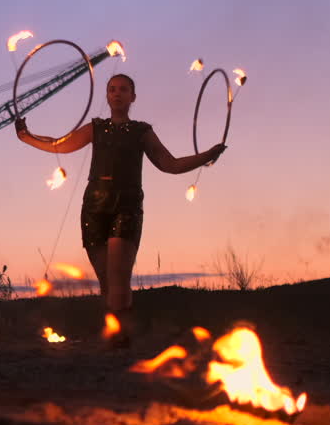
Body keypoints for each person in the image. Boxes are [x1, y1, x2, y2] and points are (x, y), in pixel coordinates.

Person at [15, 73, 225, 348]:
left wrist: (207, 155)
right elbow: (59, 144)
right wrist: (26, 137)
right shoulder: (96, 128)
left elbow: (170, 164)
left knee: (118, 276)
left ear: (132, 97)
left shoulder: (141, 131)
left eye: (123, 89)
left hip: (126, 206)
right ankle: (116, 331)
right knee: (106, 278)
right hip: (94, 206)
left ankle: (120, 337)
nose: (117, 94)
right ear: (106, 95)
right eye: (112, 89)